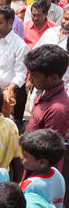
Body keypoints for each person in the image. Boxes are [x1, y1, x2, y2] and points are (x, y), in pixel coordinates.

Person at [24, 44, 69, 173]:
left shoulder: (57, 110)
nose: (30, 79)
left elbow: (48, 153)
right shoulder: (44, 92)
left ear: (53, 77)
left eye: (34, 76)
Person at [19, 129, 66, 208]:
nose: (21, 156)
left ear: (42, 163)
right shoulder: (58, 175)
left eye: (25, 156)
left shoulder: (30, 185)